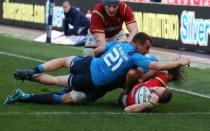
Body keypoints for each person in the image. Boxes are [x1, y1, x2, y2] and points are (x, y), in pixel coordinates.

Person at [11, 32, 190, 104]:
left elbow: (100, 50)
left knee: (64, 60)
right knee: (60, 87)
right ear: (139, 44)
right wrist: (179, 62)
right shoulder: (138, 58)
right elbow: (152, 67)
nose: (148, 51)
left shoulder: (122, 44)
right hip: (93, 81)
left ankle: (33, 71)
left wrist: (95, 55)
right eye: (147, 48)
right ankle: (27, 97)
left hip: (89, 63)